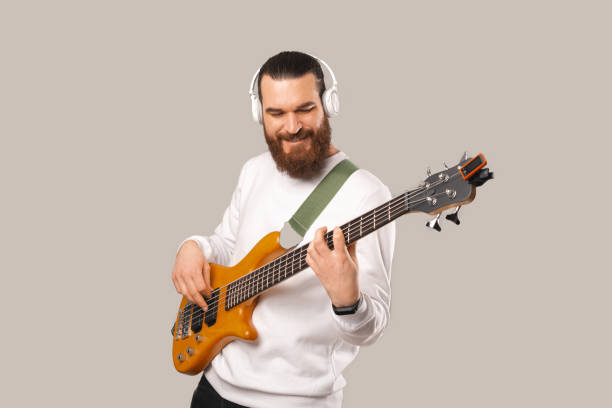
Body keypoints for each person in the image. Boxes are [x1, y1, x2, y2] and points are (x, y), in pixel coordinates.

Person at [172, 51, 396, 408]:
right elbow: (228, 245)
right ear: (259, 113)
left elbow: (372, 327)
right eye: (276, 113)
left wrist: (347, 300)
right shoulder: (254, 170)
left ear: (328, 104)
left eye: (304, 109)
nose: (291, 126)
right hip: (215, 389)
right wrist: (193, 247)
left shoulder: (367, 194)